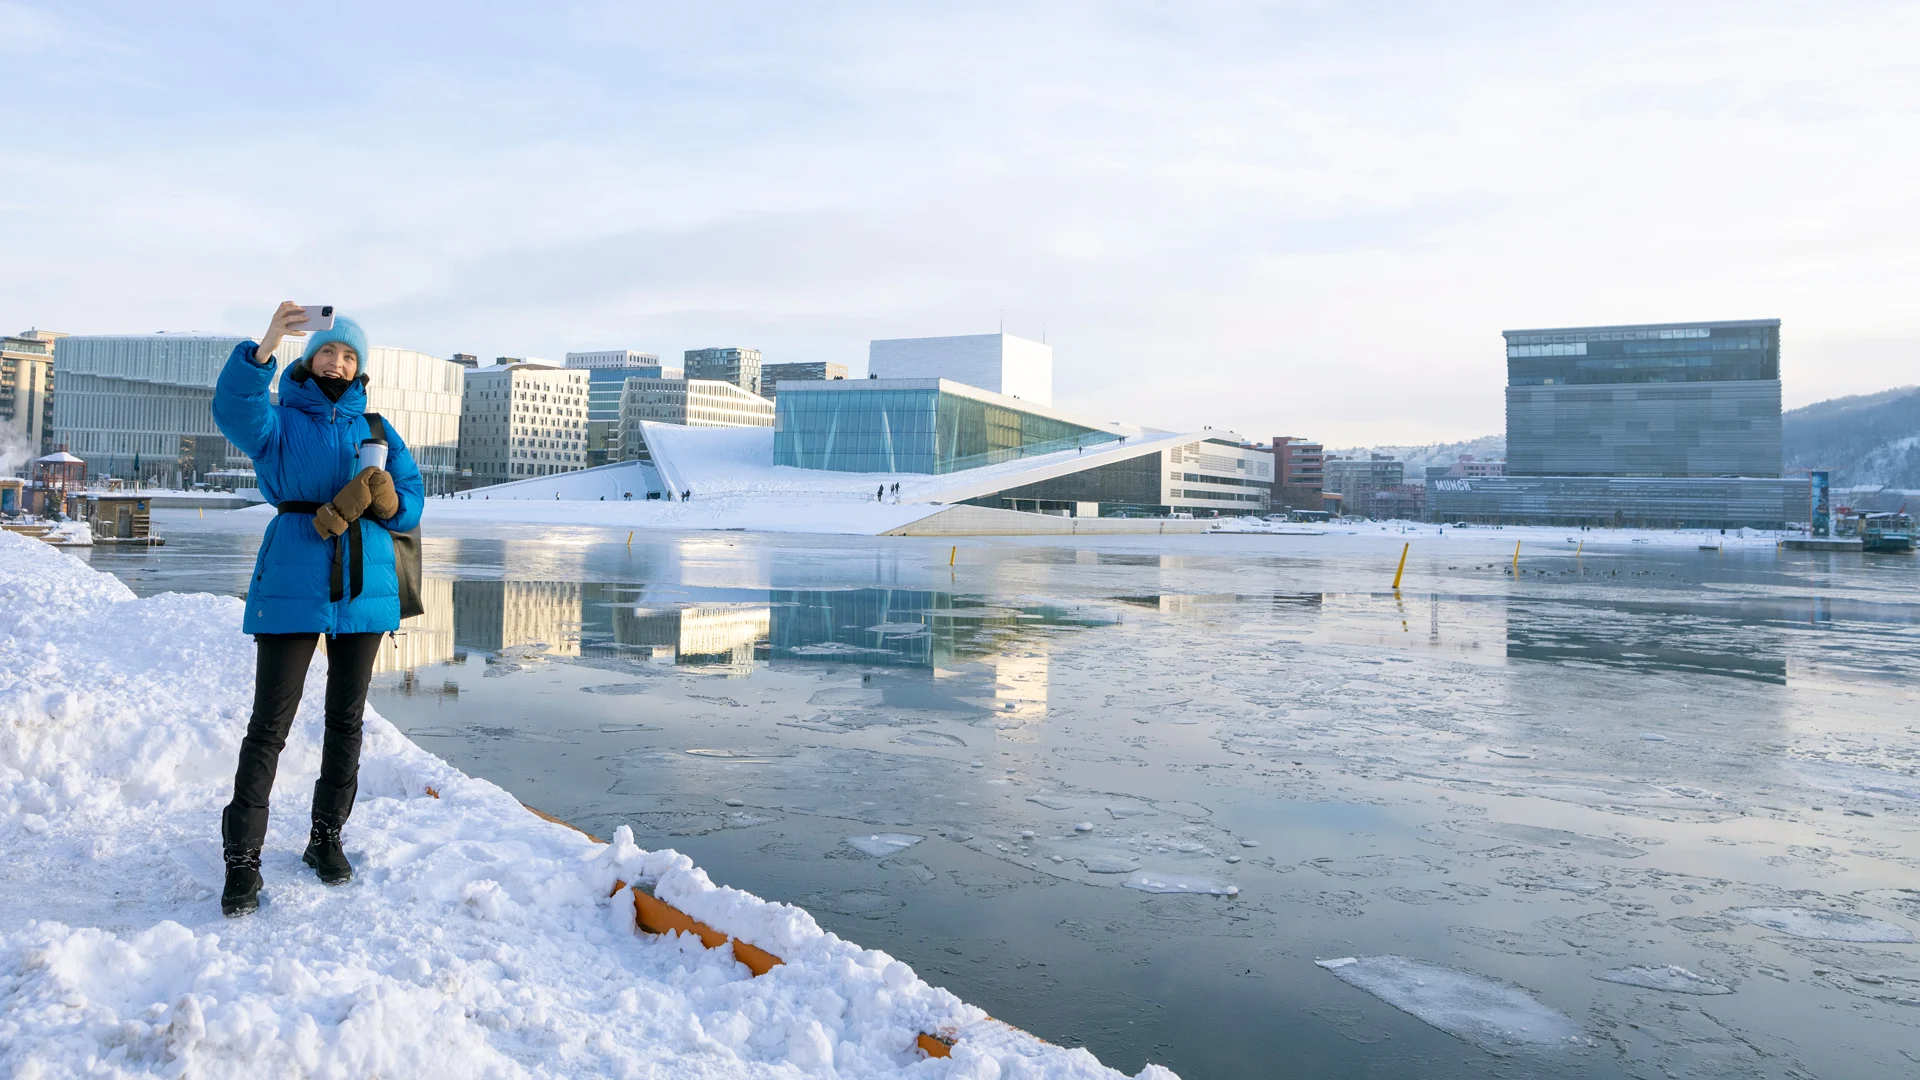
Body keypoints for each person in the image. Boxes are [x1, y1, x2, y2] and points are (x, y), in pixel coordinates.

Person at [210, 303, 424, 918]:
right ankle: (242, 860)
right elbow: (233, 410)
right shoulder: (276, 422)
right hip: (295, 575)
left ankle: (326, 838)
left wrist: (386, 501)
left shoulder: (377, 428)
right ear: (308, 358)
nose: (337, 362)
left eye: (349, 355)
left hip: (364, 583)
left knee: (347, 720)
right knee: (269, 725)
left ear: (360, 368)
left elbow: (412, 502)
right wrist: (268, 340)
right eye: (328, 351)